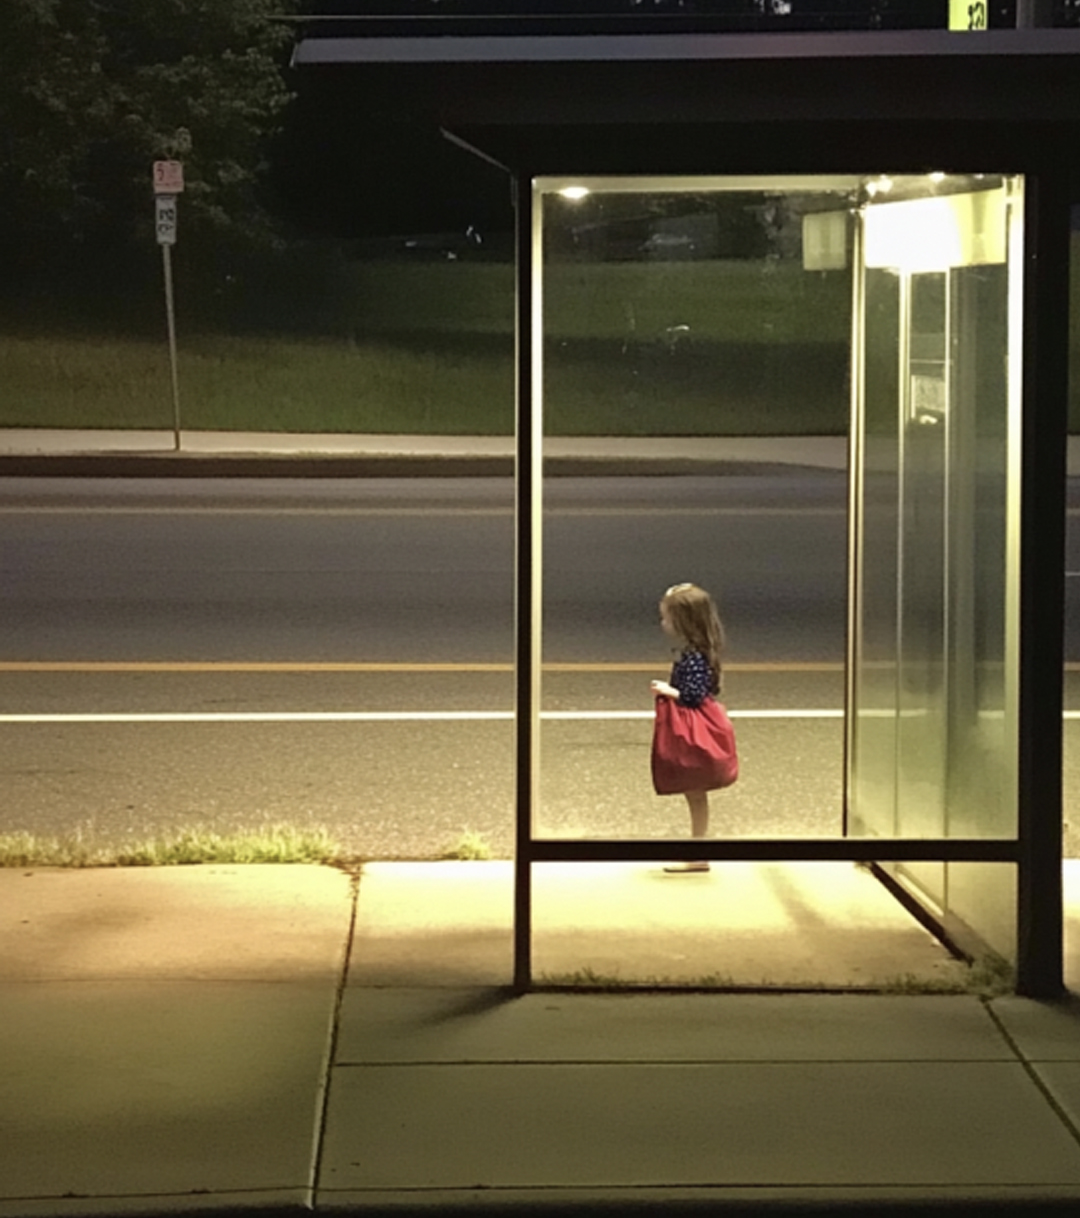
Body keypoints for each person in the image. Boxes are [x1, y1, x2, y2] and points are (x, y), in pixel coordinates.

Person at [650, 582, 727, 873]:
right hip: (694, 721)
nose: (663, 623)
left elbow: (692, 695)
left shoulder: (694, 657)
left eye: (667, 617)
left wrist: (666, 690)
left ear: (683, 622)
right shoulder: (700, 652)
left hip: (691, 727)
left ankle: (698, 852)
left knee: (694, 790)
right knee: (695, 793)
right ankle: (698, 848)